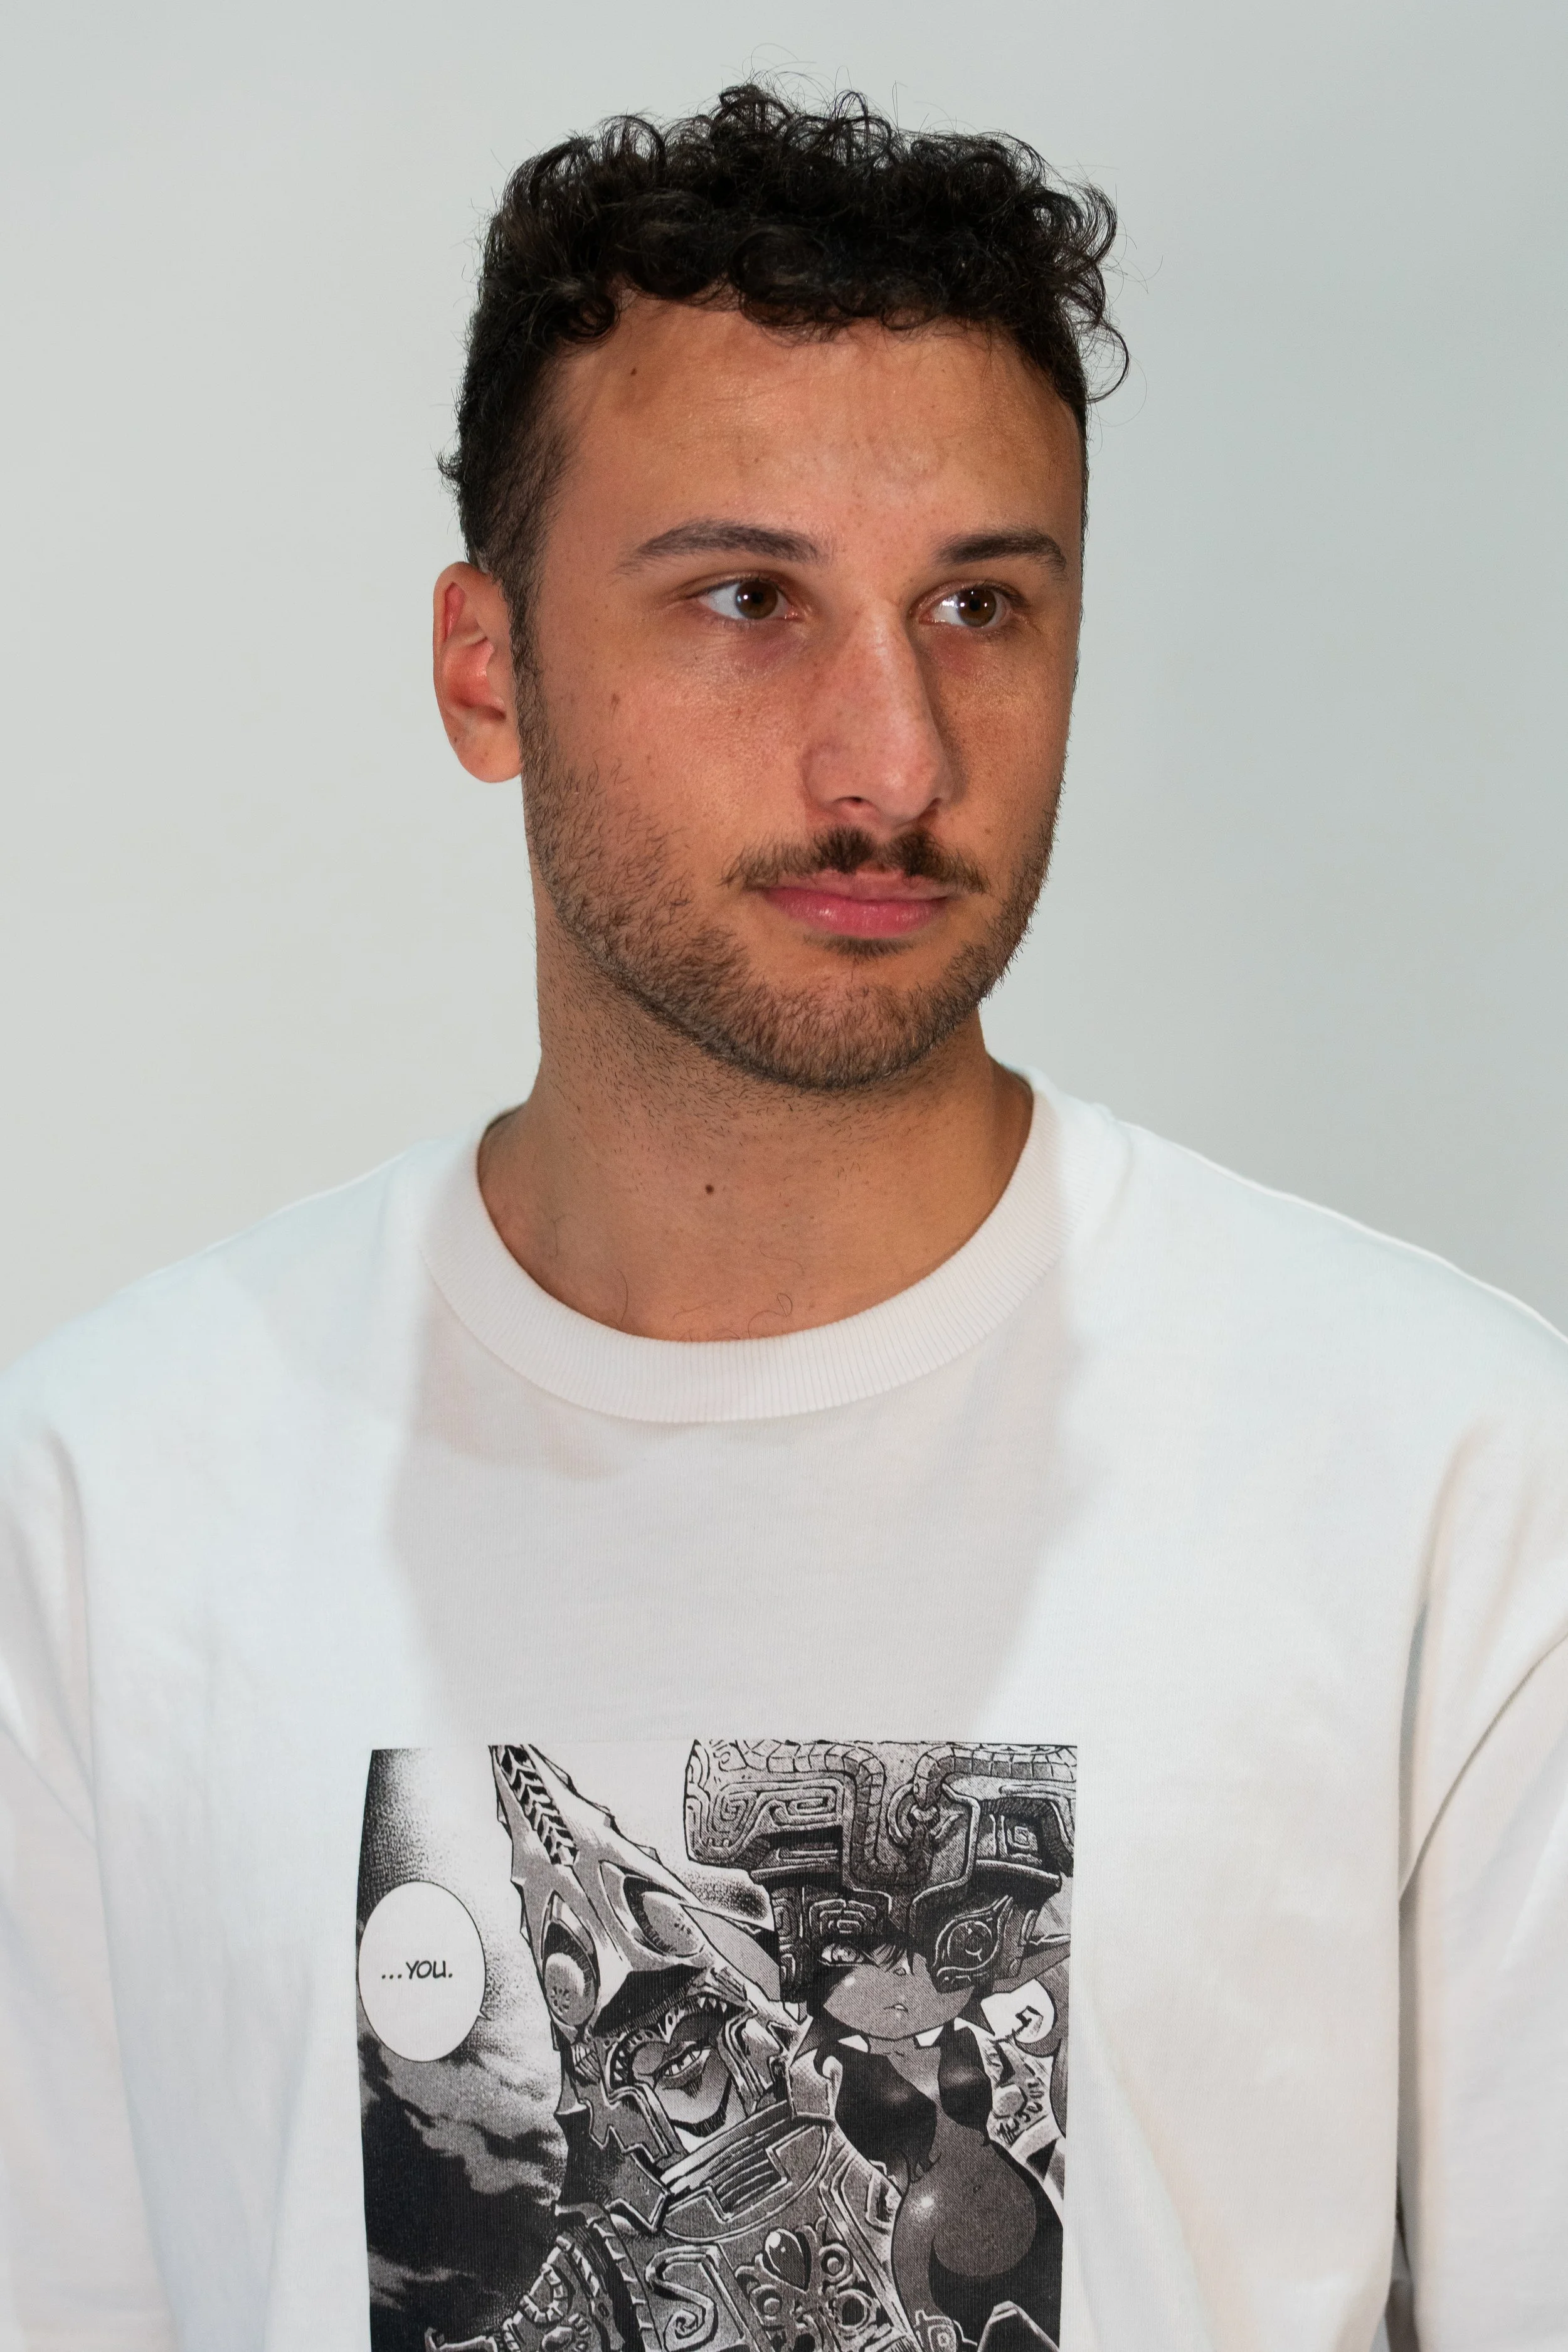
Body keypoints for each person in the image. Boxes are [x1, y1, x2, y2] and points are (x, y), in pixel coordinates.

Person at [0, 82, 1564, 2352]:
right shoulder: (114, 1502)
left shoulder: (1446, 1478)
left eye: (980, 604)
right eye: (745, 599)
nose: (891, 759)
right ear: (483, 666)